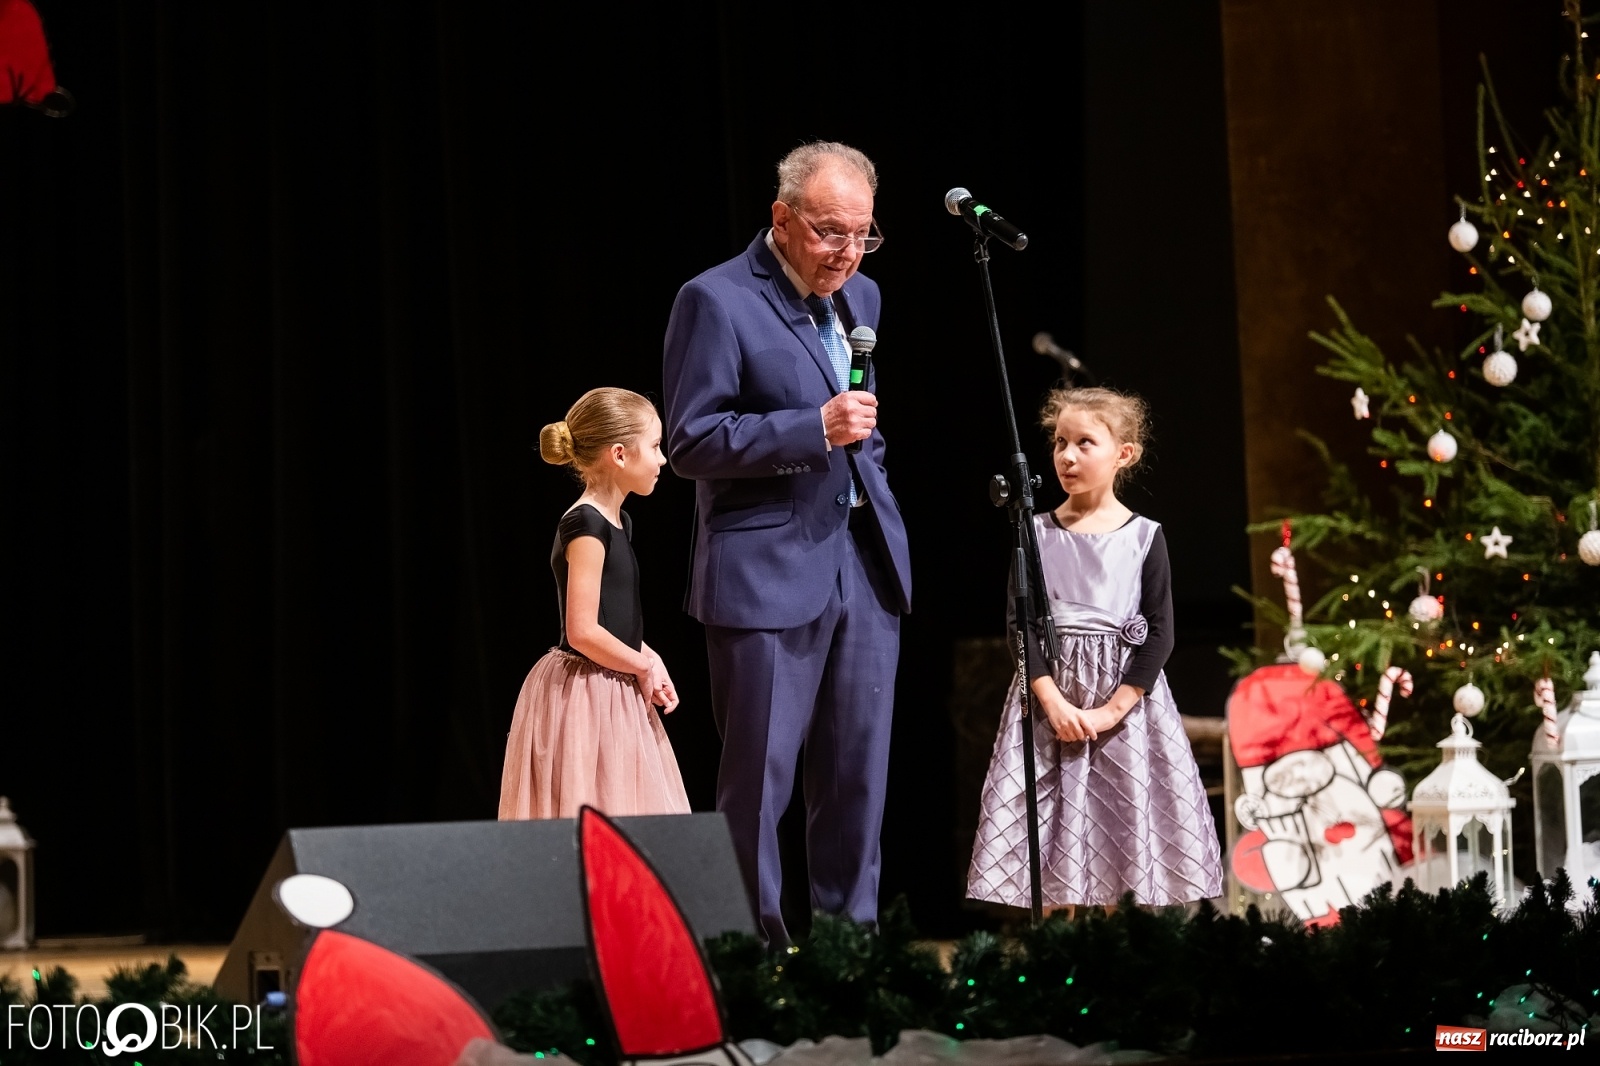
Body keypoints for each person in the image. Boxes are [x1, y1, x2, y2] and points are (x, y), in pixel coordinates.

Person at [662, 141, 912, 944]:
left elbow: (865, 431)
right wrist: (811, 428)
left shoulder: (862, 295)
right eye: (830, 232)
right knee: (759, 784)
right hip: (766, 573)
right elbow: (692, 440)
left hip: (862, 569)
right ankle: (754, 957)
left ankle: (850, 956)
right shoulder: (716, 300)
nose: (846, 252)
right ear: (781, 218)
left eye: (862, 234)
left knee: (855, 782)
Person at [967, 387, 1222, 911]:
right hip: (1049, 707)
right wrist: (1054, 703)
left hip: (1123, 711)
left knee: (1120, 836)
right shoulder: (1034, 534)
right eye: (1061, 442)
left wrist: (1111, 710)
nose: (1067, 456)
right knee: (1052, 832)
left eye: (1085, 443)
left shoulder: (1145, 537)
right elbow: (1022, 627)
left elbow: (1160, 630)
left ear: (1123, 454)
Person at [498, 387, 691, 820]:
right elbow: (583, 630)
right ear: (619, 454)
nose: (663, 459)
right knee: (591, 815)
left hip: (613, 686)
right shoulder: (585, 524)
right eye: (656, 446)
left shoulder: (618, 520)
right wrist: (640, 665)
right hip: (584, 693)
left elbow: (614, 619)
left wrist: (647, 655)